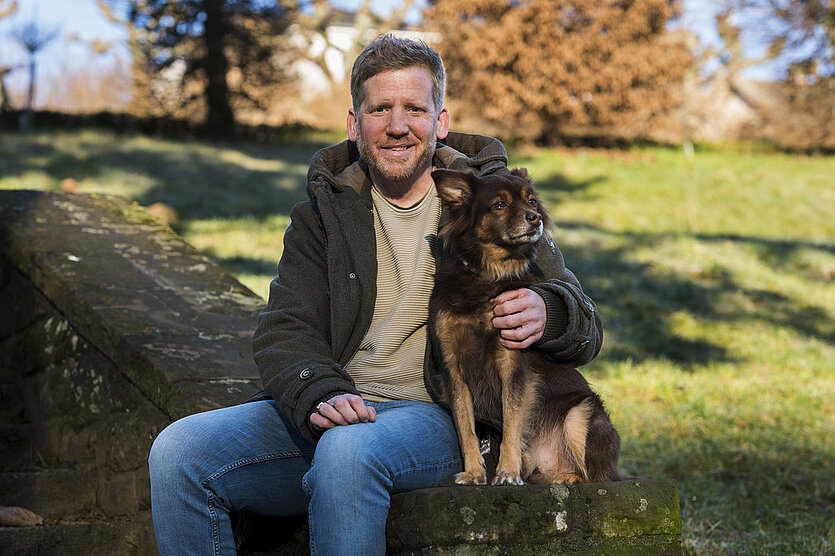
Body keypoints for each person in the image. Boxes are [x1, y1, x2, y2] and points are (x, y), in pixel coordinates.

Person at [148, 34, 603, 556]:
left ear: (441, 120)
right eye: (379, 108)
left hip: (438, 416)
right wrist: (318, 391)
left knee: (348, 453)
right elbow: (284, 328)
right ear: (353, 123)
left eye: (414, 108)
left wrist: (551, 311)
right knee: (178, 452)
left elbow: (585, 324)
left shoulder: (487, 201)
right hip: (339, 404)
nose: (397, 125)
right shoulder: (321, 212)